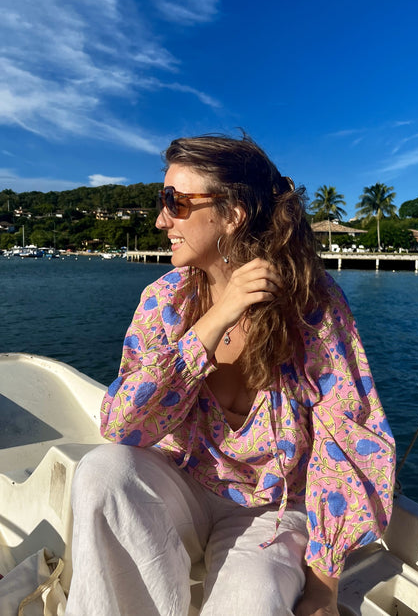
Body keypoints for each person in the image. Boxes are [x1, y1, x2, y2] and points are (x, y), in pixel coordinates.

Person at [66, 134, 395, 616]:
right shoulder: (165, 302)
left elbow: (346, 436)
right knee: (102, 472)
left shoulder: (312, 306)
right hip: (182, 487)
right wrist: (216, 319)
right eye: (162, 201)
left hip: (271, 509)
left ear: (233, 214)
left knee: (253, 603)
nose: (160, 220)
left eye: (175, 202)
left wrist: (323, 588)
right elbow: (121, 424)